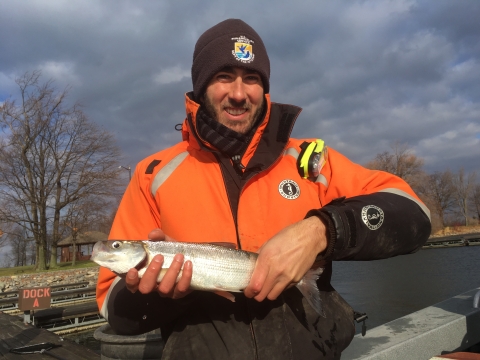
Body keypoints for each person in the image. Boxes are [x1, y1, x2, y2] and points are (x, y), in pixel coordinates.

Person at [96, 19, 431, 359]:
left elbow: (414, 215)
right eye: (224, 76)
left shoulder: (310, 160)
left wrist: (322, 230)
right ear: (200, 85)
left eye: (252, 78)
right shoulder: (152, 174)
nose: (239, 94)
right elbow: (113, 309)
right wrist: (158, 296)